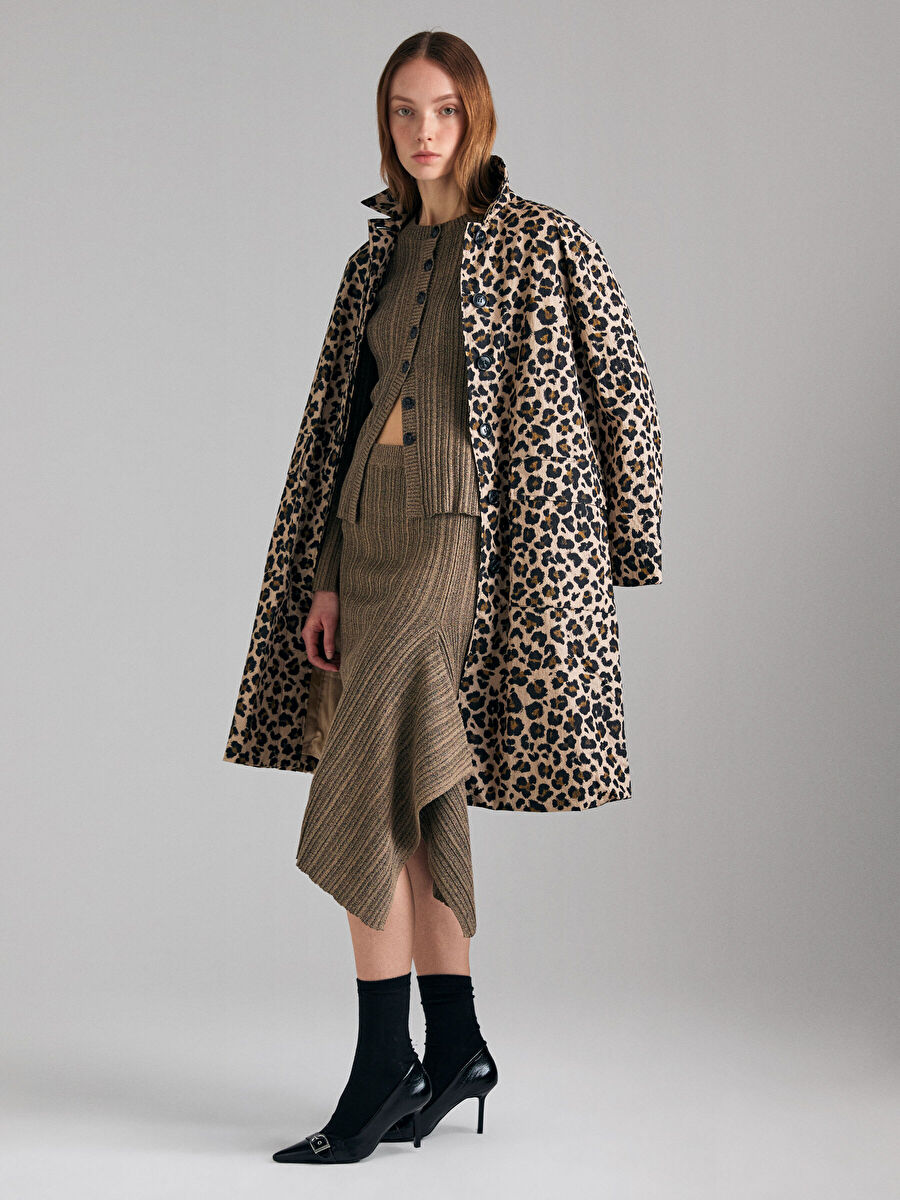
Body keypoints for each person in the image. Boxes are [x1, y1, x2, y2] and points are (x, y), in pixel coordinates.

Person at [224, 29, 663, 1167]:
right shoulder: (370, 262)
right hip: (366, 531)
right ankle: (456, 1042)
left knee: (364, 780)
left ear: (479, 117)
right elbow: (339, 427)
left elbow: (622, 389)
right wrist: (325, 574)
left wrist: (626, 542)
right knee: (418, 788)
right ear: (387, 124)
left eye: (445, 111)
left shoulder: (540, 241)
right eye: (404, 112)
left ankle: (383, 1067)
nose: (424, 133)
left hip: (462, 536)